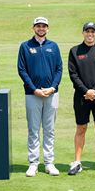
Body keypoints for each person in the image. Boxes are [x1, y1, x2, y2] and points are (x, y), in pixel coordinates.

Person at [17, 17, 63, 177]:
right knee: (34, 130)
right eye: (38, 26)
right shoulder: (25, 46)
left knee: (49, 130)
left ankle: (49, 163)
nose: (41, 28)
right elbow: (22, 70)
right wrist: (34, 89)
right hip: (32, 94)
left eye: (44, 26)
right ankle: (33, 163)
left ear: (48, 29)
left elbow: (59, 69)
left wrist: (52, 87)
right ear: (33, 28)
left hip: (51, 94)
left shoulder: (53, 46)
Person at [67, 22, 95, 175]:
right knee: (81, 128)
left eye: (93, 32)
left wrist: (94, 90)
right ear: (83, 33)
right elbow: (73, 75)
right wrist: (86, 91)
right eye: (87, 31)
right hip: (81, 96)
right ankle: (77, 162)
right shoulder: (74, 51)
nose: (90, 34)